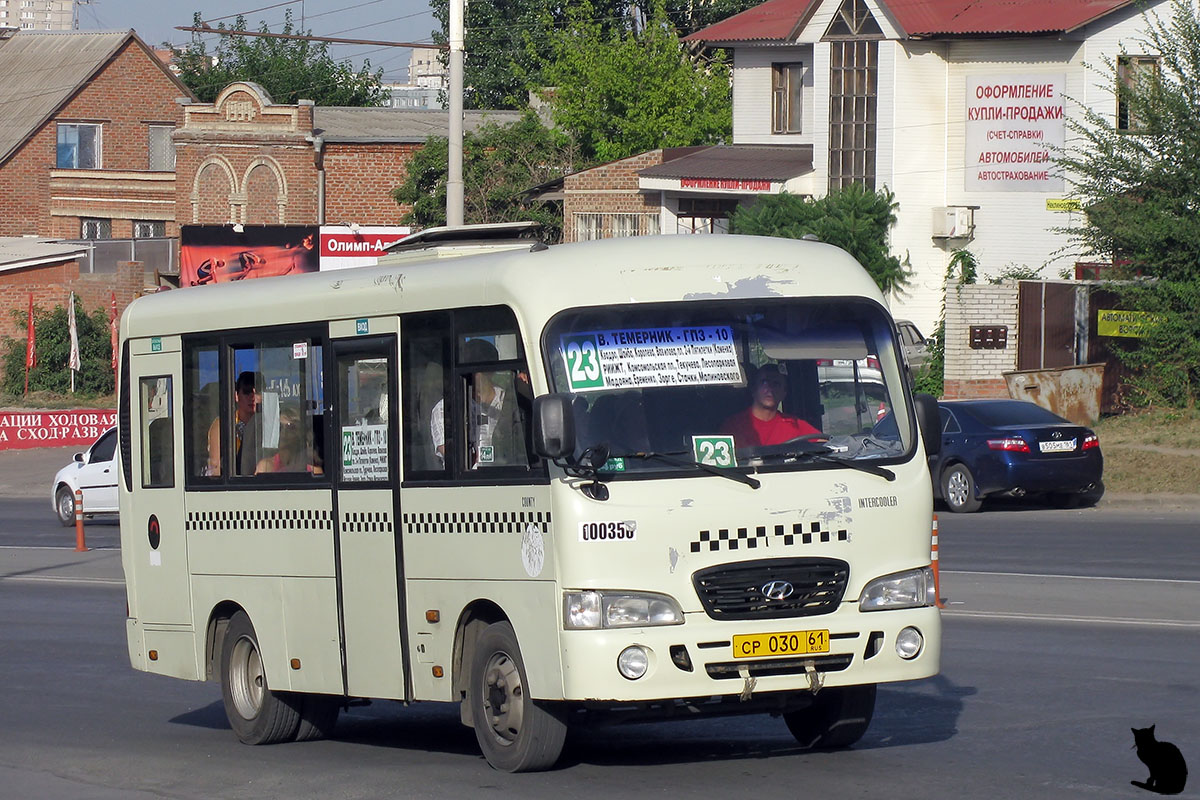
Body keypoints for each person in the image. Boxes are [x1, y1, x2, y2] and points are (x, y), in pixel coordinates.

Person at [430, 339, 528, 468]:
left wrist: (525, 390)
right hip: (469, 483)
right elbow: (452, 456)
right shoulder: (445, 408)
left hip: (508, 476)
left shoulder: (510, 400)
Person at [721, 363, 821, 447]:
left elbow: (825, 445)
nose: (770, 389)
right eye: (764, 382)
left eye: (776, 384)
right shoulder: (734, 425)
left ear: (784, 393)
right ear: (753, 389)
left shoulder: (794, 424)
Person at [207, 371, 260, 476]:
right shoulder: (223, 425)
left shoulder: (268, 424)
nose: (252, 397)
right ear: (236, 396)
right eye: (247, 392)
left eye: (257, 392)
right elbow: (215, 467)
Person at [256, 403, 321, 475]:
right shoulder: (266, 467)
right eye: (279, 427)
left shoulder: (313, 470)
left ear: (301, 433)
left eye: (290, 426)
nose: (283, 432)